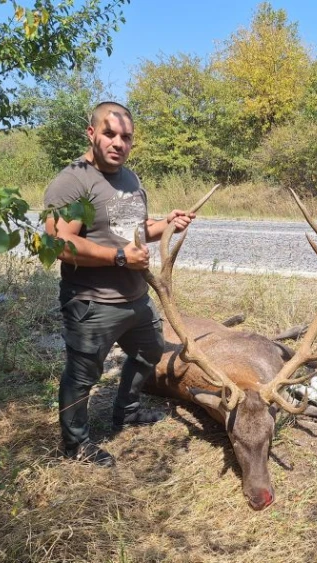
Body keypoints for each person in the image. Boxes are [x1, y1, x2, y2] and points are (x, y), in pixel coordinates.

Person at [44, 101, 195, 467]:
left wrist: (167, 223)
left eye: (126, 137)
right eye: (110, 134)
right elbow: (58, 244)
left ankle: (125, 410)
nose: (118, 143)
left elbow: (134, 231)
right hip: (93, 301)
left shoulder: (129, 178)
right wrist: (118, 258)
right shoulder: (72, 182)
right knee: (82, 375)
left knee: (150, 351)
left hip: (134, 296)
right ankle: (75, 444)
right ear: (91, 133)